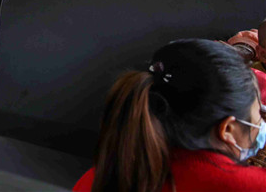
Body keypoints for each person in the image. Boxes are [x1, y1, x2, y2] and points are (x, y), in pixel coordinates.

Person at [74, 39, 266, 192]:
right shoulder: (253, 186)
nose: (260, 125)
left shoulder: (100, 177)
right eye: (258, 114)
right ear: (228, 129)